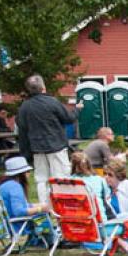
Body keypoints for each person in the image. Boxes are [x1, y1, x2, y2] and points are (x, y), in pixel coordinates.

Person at [15, 75, 78, 204]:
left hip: (37, 148)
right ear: (43, 87)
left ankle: (45, 207)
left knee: (41, 179)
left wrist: (25, 153)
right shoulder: (52, 102)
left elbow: (22, 129)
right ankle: (62, 205)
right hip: (56, 146)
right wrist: (77, 110)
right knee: (61, 176)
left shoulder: (24, 107)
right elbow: (68, 119)